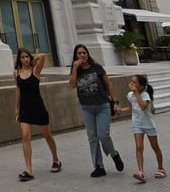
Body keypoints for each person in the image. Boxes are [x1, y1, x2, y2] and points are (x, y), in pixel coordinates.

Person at [69, 44, 124, 177]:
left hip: (102, 106)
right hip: (86, 107)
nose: (82, 55)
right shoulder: (76, 70)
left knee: (103, 134)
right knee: (92, 137)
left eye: (84, 53)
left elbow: (108, 84)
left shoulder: (97, 67)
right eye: (79, 53)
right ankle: (99, 166)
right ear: (75, 56)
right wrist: (75, 68)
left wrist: (115, 102)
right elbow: (72, 84)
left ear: (87, 54)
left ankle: (114, 154)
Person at [13, 48, 61, 181]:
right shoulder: (16, 72)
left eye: (27, 57)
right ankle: (29, 169)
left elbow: (42, 56)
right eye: (22, 57)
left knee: (47, 135)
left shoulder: (35, 71)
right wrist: (16, 107)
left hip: (38, 107)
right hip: (24, 109)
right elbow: (18, 89)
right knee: (25, 136)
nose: (25, 59)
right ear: (19, 59)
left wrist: (35, 59)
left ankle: (56, 159)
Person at [119, 74, 166, 182]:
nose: (131, 84)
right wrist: (121, 110)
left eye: (134, 82)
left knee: (155, 147)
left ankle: (161, 168)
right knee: (139, 148)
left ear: (141, 86)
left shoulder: (145, 95)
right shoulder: (130, 95)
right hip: (137, 124)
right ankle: (141, 172)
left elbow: (143, 107)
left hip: (148, 125)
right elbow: (131, 108)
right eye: (131, 81)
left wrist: (136, 93)